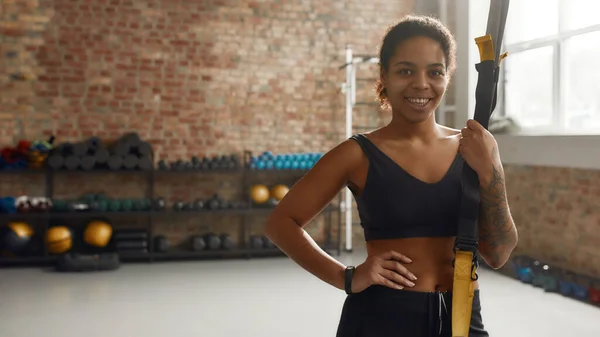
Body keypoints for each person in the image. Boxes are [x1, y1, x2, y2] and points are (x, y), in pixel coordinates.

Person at [264, 14, 518, 337]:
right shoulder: (358, 153)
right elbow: (280, 223)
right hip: (381, 318)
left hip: (462, 317)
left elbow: (499, 253)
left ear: (447, 76)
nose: (421, 84)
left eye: (435, 72)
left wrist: (490, 170)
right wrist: (347, 277)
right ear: (384, 75)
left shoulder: (475, 147)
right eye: (405, 71)